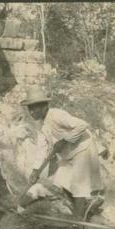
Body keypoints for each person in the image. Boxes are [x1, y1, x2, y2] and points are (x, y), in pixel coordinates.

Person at [20, 87, 105, 221]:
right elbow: (42, 148)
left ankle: (79, 220)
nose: (31, 112)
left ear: (44, 106)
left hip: (82, 149)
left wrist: (65, 139)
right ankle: (86, 205)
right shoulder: (40, 125)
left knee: (78, 185)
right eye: (29, 108)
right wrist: (36, 170)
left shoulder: (56, 115)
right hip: (68, 153)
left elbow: (83, 124)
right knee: (61, 181)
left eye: (34, 108)